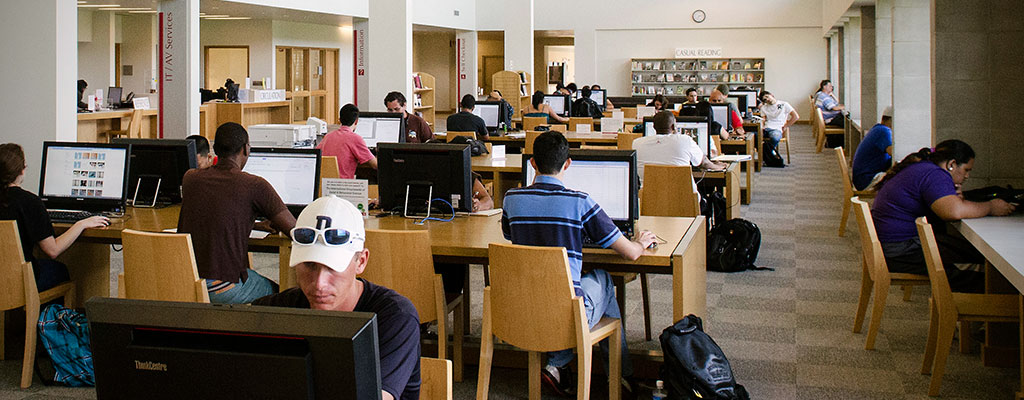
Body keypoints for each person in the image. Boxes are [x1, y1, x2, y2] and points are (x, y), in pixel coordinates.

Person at [501, 131, 657, 397]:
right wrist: (642, 242)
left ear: (533, 164)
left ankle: (560, 367)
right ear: (568, 163)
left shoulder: (511, 199)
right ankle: (618, 376)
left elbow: (509, 234)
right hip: (567, 313)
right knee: (604, 279)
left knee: (571, 284)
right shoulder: (580, 202)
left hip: (524, 306)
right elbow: (630, 253)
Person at [253, 196, 420, 400]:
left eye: (333, 268)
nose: (319, 284)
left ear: (361, 261)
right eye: (309, 265)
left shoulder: (395, 317)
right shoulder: (275, 311)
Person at [871, 140, 1015, 292]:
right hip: (900, 251)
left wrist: (955, 199)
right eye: (966, 170)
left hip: (892, 246)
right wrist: (991, 207)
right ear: (951, 164)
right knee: (979, 267)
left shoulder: (923, 168)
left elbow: (948, 205)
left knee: (970, 252)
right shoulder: (935, 174)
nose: (967, 176)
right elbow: (952, 212)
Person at [177, 122, 296, 304]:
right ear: (246, 150)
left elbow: (215, 215)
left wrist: (255, 225)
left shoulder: (190, 178)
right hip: (222, 287)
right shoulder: (255, 185)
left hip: (185, 280)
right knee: (282, 294)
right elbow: (294, 231)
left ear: (215, 149)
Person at [0, 143, 109, 292]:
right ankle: (49, 315)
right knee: (60, 269)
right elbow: (53, 251)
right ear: (22, 170)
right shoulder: (30, 202)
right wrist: (81, 224)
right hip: (20, 282)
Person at [632, 111, 727, 192]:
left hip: (650, 202)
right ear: (673, 126)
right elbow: (704, 163)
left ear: (653, 127)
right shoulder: (685, 140)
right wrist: (718, 166)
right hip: (684, 201)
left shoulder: (637, 143)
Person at [317, 104, 377, 179]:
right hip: (344, 186)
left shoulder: (328, 136)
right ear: (356, 121)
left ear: (339, 120)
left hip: (324, 185)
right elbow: (375, 165)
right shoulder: (355, 139)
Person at [851, 105, 895, 190]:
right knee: (905, 178)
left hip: (862, 178)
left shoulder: (878, 129)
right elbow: (895, 153)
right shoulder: (884, 131)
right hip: (867, 180)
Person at [757, 90, 799, 154]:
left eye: (767, 96)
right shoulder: (764, 108)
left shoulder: (784, 104)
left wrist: (786, 126)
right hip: (766, 128)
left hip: (777, 128)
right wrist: (761, 127)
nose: (767, 99)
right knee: (752, 136)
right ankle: (767, 154)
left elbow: (796, 116)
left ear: (772, 95)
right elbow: (763, 120)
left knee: (775, 137)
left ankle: (768, 153)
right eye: (765, 99)